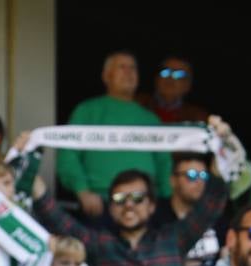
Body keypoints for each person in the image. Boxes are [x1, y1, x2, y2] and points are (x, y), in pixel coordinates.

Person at [32, 121, 231, 266]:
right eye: (119, 199)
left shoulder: (173, 238)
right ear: (110, 208)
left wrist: (222, 143)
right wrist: (29, 151)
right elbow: (54, 216)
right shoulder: (101, 244)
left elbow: (212, 202)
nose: (128, 205)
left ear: (152, 205)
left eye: (137, 198)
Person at [58, 51, 172, 218]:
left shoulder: (150, 118)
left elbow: (164, 164)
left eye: (133, 68)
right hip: (99, 204)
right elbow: (67, 156)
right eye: (122, 67)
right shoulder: (87, 111)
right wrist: (82, 190)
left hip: (143, 206)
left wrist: (166, 201)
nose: (129, 72)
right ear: (106, 76)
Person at [149, 152, 224, 266]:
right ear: (173, 180)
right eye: (192, 175)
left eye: (203, 175)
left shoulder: (216, 213)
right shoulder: (154, 215)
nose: (199, 182)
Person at [137, 56, 206, 124]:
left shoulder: (197, 117)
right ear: (156, 78)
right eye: (165, 72)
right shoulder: (138, 104)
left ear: (188, 84)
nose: (170, 78)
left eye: (179, 74)